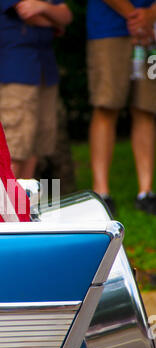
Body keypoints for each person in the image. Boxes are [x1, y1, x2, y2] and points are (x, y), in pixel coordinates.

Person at [87, 0, 156, 215]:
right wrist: (137, 18)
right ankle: (102, 192)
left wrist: (151, 15)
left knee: (146, 108)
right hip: (108, 29)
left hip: (150, 31)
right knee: (106, 106)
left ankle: (145, 192)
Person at [0, 0, 73, 179]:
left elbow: (66, 16)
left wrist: (43, 7)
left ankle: (26, 203)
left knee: (34, 144)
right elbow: (28, 14)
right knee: (15, 146)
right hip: (18, 67)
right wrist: (54, 18)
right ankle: (7, 204)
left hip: (44, 68)